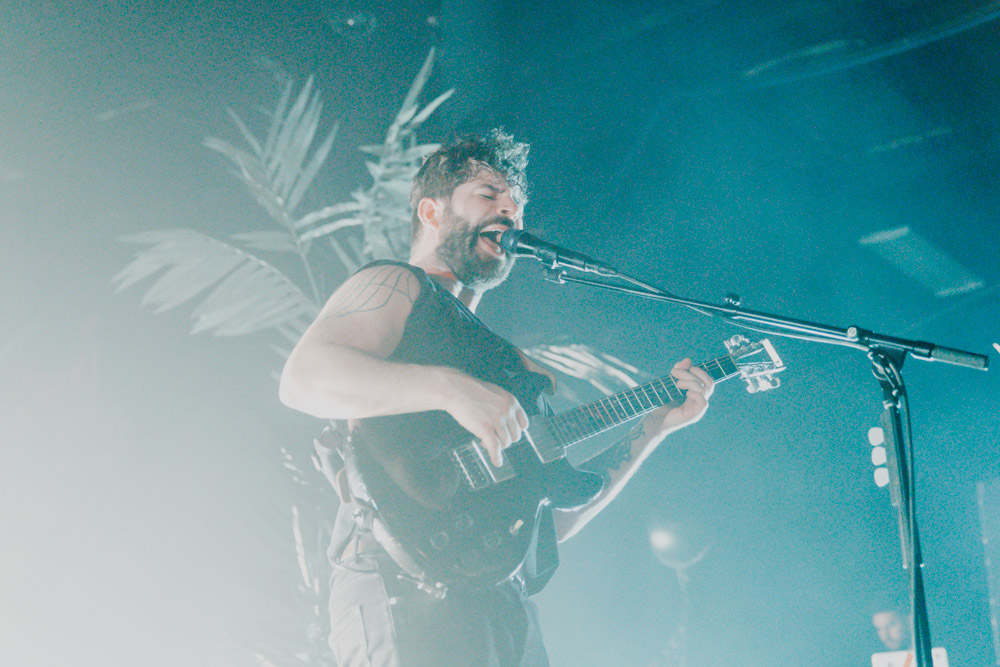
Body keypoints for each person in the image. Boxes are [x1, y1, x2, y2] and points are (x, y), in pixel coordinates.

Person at [279, 129, 715, 666]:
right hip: (400, 588)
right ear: (432, 211)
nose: (509, 214)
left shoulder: (513, 369)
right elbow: (302, 378)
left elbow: (545, 523)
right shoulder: (398, 285)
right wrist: (450, 389)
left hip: (500, 605)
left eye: (516, 207)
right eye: (488, 196)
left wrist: (652, 429)